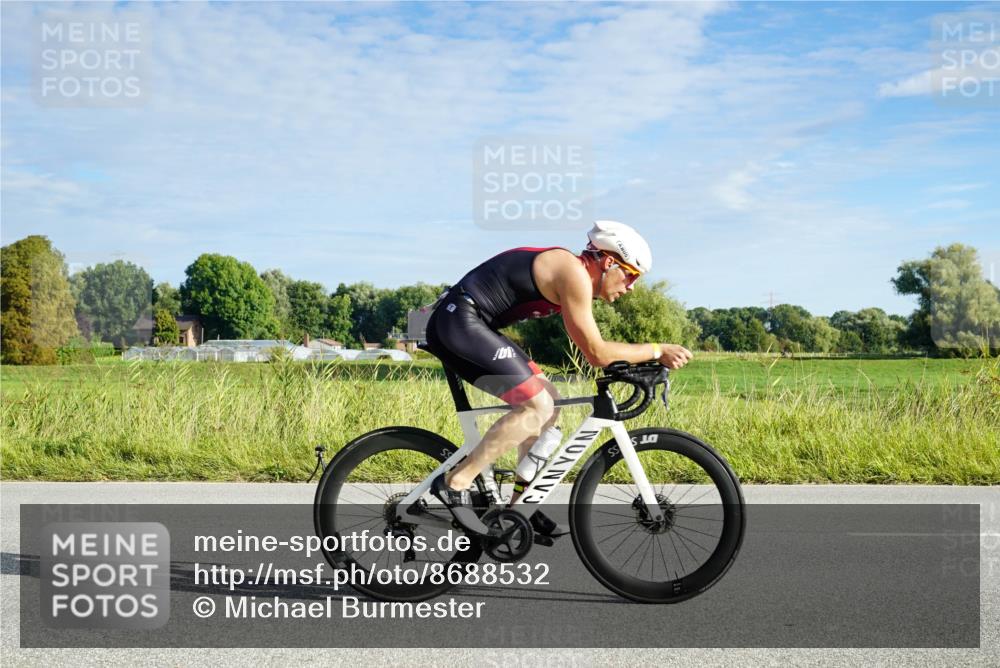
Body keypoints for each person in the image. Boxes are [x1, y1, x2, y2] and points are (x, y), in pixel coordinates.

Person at [423, 220, 693, 536]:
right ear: (608, 262)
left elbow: (597, 350)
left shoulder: (574, 273)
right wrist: (657, 350)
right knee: (536, 406)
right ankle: (457, 482)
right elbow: (597, 353)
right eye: (630, 275)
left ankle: (521, 506)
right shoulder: (573, 273)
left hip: (472, 324)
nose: (631, 286)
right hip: (458, 323)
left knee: (551, 408)